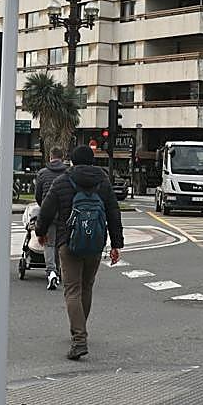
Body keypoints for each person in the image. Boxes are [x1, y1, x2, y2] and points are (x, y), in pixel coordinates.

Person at [35, 145, 123, 360]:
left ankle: (79, 337)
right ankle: (80, 329)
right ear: (93, 161)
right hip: (95, 242)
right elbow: (113, 211)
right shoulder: (103, 182)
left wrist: (41, 231)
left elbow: (46, 209)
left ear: (72, 161)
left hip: (68, 241)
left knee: (72, 289)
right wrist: (116, 244)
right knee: (86, 287)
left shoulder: (63, 181)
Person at [33, 147, 69, 291]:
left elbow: (38, 195)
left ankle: (51, 271)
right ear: (63, 157)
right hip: (64, 214)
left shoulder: (42, 173)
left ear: (50, 157)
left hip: (48, 213)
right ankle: (59, 271)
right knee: (61, 245)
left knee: (49, 244)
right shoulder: (68, 173)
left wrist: (44, 206)